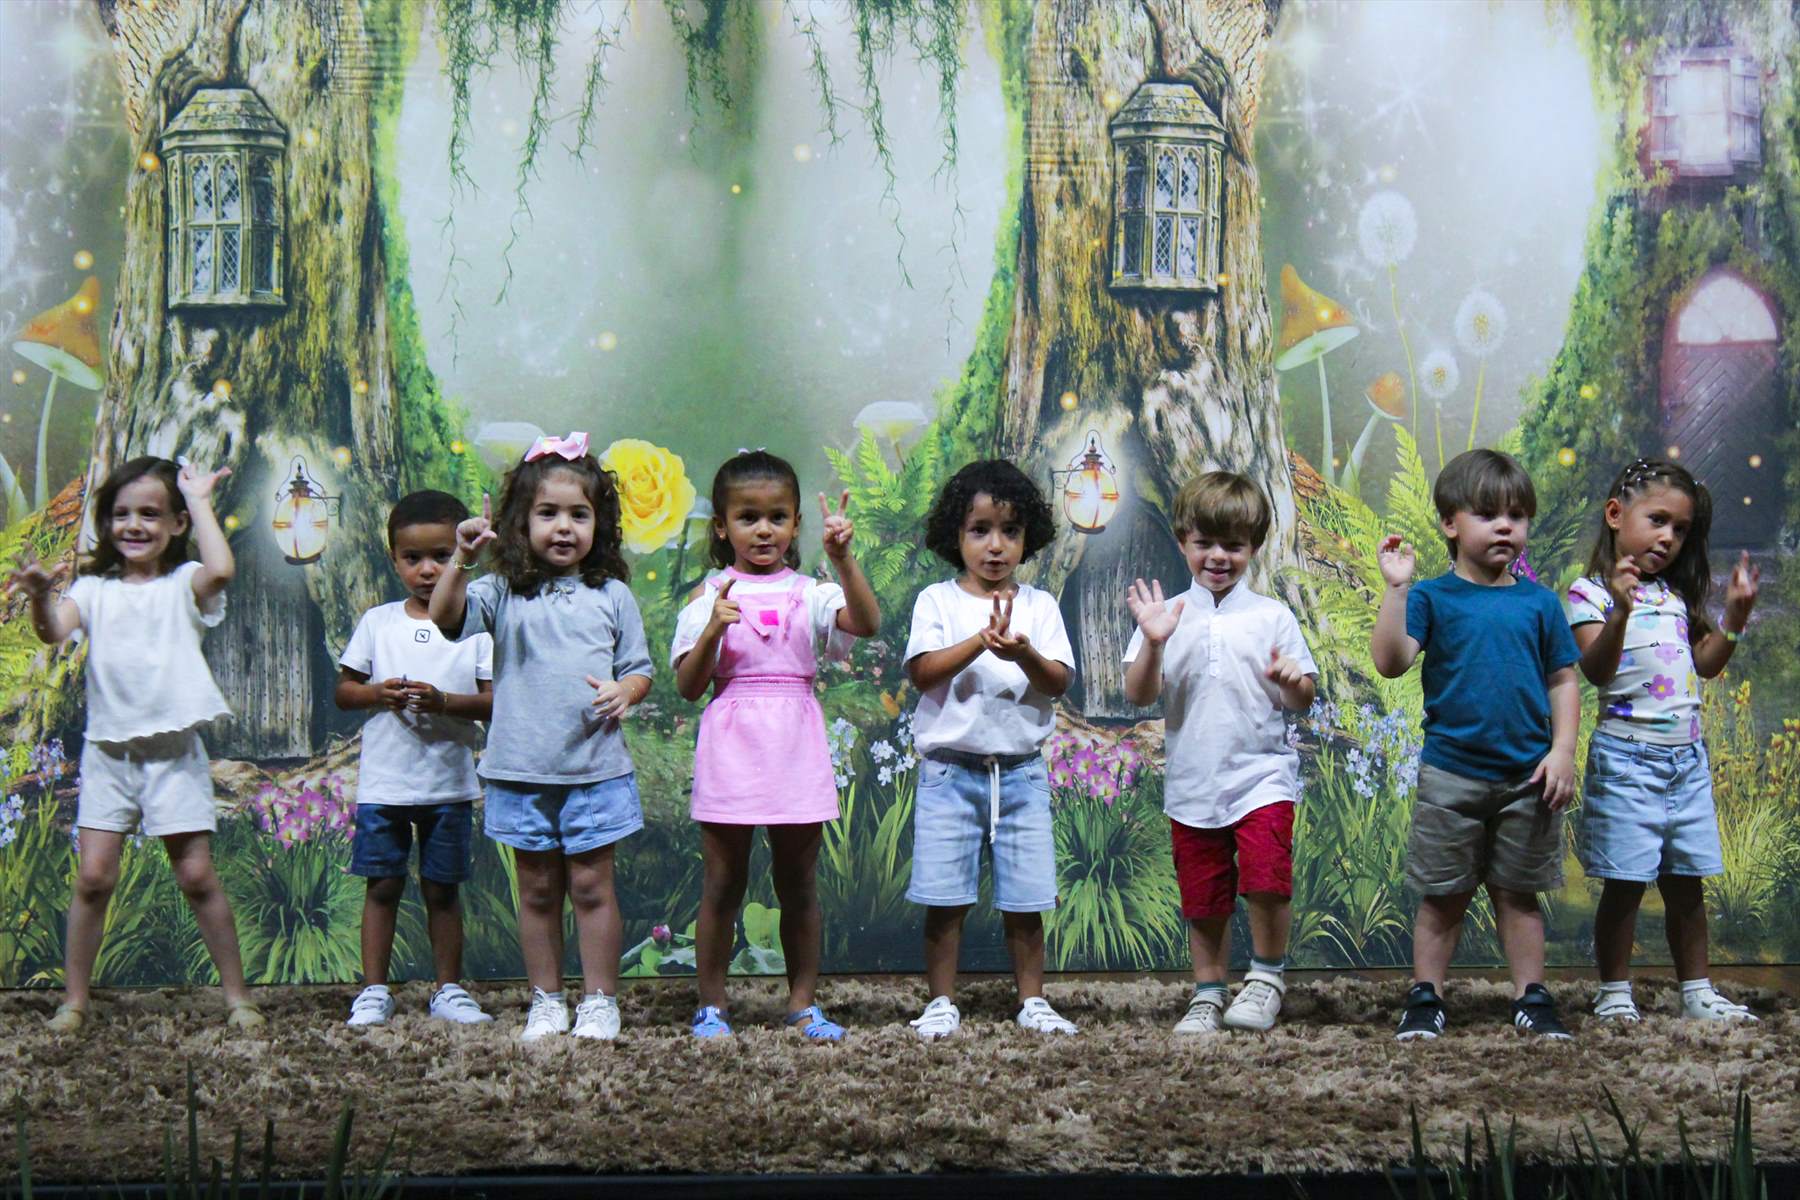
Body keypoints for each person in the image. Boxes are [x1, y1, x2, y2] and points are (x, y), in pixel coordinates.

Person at [6, 456, 261, 1032]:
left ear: (175, 523)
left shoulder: (183, 583)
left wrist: (200, 500)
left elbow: (221, 569)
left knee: (197, 877)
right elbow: (52, 630)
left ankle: (238, 997)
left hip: (173, 756)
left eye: (150, 513)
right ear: (105, 523)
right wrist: (42, 596)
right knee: (94, 878)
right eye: (121, 514)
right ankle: (74, 1001)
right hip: (109, 757)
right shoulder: (93, 590)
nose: (134, 525)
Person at [429, 433, 653, 1042]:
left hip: (595, 770)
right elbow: (445, 618)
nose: (563, 527)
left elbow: (639, 670)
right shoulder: (500, 591)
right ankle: (547, 1000)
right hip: (520, 772)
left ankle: (600, 1001)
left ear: (599, 525)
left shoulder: (612, 595)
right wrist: (461, 558)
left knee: (591, 887)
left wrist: (625, 691)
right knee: (537, 889)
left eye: (579, 514)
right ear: (519, 522)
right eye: (547, 513)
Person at [1371, 449, 1581, 1041]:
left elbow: (1563, 680)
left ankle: (1531, 996)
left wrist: (1563, 751)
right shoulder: (1431, 598)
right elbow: (1390, 662)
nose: (1505, 527)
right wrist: (1397, 590)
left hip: (1528, 780)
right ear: (1450, 523)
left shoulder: (1539, 603)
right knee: (1443, 896)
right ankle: (1426, 996)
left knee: (1519, 895)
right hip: (1451, 776)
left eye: (1517, 515)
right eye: (1488, 515)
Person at [671, 450, 879, 1040]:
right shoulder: (708, 596)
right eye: (748, 517)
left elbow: (866, 623)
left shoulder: (811, 593)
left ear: (795, 524)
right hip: (731, 744)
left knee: (798, 883)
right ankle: (712, 1005)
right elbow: (689, 687)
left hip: (795, 743)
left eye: (778, 517)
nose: (764, 530)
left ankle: (803, 1003)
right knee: (722, 883)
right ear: (721, 526)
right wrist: (714, 627)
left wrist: (843, 560)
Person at [1566, 458, 1761, 1023]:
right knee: (1625, 885)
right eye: (1658, 520)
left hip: (1687, 764)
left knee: (1686, 885)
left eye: (1680, 529)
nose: (1669, 537)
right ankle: (1614, 993)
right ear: (1615, 515)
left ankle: (1697, 992)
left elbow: (1707, 665)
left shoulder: (1675, 596)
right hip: (1627, 760)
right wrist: (1620, 613)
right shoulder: (1589, 593)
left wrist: (1733, 620)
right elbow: (1596, 670)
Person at [1123, 471, 1316, 1035]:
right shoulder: (1167, 615)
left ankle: (1266, 978)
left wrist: (1292, 680)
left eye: (1233, 544)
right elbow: (1138, 694)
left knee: (1267, 879)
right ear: (1182, 541)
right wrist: (1153, 641)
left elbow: (1302, 696)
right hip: (1193, 783)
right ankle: (1208, 991)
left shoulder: (1273, 616)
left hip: (1262, 778)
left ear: (1253, 547)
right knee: (1203, 895)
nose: (1218, 557)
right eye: (1204, 542)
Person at [903, 460, 1078, 1040]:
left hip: (1022, 776)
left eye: (1010, 531)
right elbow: (923, 672)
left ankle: (1033, 1001)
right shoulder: (937, 601)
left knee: (1026, 902)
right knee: (945, 899)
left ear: (1029, 537)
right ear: (955, 535)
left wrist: (1021, 653)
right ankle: (940, 1002)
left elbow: (1057, 681)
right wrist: (980, 641)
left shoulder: (1039, 606)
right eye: (980, 530)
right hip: (949, 774)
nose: (996, 546)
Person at [336, 490, 495, 1027]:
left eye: (442, 556)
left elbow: (495, 701)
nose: (427, 570)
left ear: (463, 554)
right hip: (385, 785)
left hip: (448, 785)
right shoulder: (378, 622)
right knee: (382, 885)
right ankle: (373, 991)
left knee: (442, 889)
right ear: (394, 559)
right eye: (413, 558)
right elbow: (344, 691)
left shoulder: (476, 626)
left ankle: (449, 989)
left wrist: (444, 701)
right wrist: (377, 693)